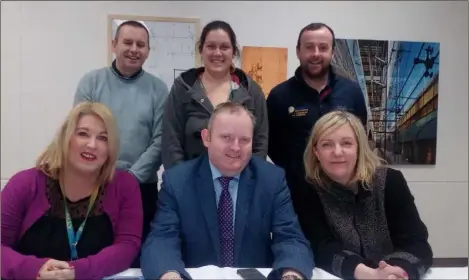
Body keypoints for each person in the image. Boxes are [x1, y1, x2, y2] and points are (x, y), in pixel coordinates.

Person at [141, 102, 313, 280]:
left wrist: (291, 274)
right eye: (226, 137)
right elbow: (161, 239)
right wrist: (169, 274)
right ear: (206, 137)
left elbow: (291, 238)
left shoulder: (271, 180)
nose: (236, 147)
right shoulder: (177, 181)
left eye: (244, 140)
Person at [1, 102, 143, 280]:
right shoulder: (24, 184)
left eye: (103, 138)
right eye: (83, 134)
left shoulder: (124, 185)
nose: (92, 145)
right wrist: (35, 269)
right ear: (65, 138)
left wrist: (76, 271)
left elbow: (127, 246)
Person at [295, 110, 433, 280]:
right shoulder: (308, 189)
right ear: (316, 152)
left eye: (346, 143)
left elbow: (416, 242)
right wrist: (368, 274)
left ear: (359, 148)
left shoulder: (391, 182)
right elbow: (320, 247)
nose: (337, 152)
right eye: (327, 144)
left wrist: (394, 272)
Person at [73, 20, 168, 252]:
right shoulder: (91, 82)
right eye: (127, 42)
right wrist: (103, 174)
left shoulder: (158, 89)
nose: (134, 49)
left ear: (148, 51)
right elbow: (79, 134)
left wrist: (131, 179)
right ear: (114, 44)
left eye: (141, 44)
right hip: (93, 184)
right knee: (93, 252)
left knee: (136, 253)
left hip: (141, 188)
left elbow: (161, 140)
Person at [266, 22, 368, 200]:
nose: (316, 54)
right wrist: (295, 169)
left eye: (323, 47)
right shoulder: (279, 95)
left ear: (332, 52)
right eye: (309, 47)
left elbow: (361, 135)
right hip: (297, 194)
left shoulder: (352, 92)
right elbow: (272, 145)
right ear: (298, 51)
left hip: (344, 191)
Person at [161, 20, 268, 170]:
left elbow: (260, 144)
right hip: (190, 183)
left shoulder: (251, 92)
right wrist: (181, 183)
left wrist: (250, 182)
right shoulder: (183, 88)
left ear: (234, 52)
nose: (217, 53)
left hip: (241, 185)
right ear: (201, 50)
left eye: (224, 47)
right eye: (211, 46)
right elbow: (171, 142)